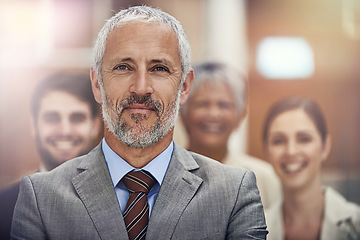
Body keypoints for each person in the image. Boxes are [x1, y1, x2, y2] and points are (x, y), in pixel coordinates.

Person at [11, 6, 267, 240]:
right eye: (123, 67)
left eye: (159, 69)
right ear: (97, 84)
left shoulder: (233, 193)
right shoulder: (41, 197)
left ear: (185, 87)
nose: (141, 88)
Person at [0, 72, 101, 240]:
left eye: (77, 118)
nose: (65, 131)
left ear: (95, 126)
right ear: (34, 126)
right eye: (52, 118)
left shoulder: (123, 205)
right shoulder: (3, 207)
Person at [180, 61, 281, 209]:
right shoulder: (164, 173)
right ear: (183, 112)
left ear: (241, 114)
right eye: (202, 104)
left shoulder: (264, 178)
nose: (213, 114)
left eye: (224, 105)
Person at [262, 97, 360, 240]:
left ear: (325, 146)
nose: (291, 151)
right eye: (279, 141)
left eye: (304, 139)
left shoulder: (356, 224)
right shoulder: (253, 230)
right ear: (266, 150)